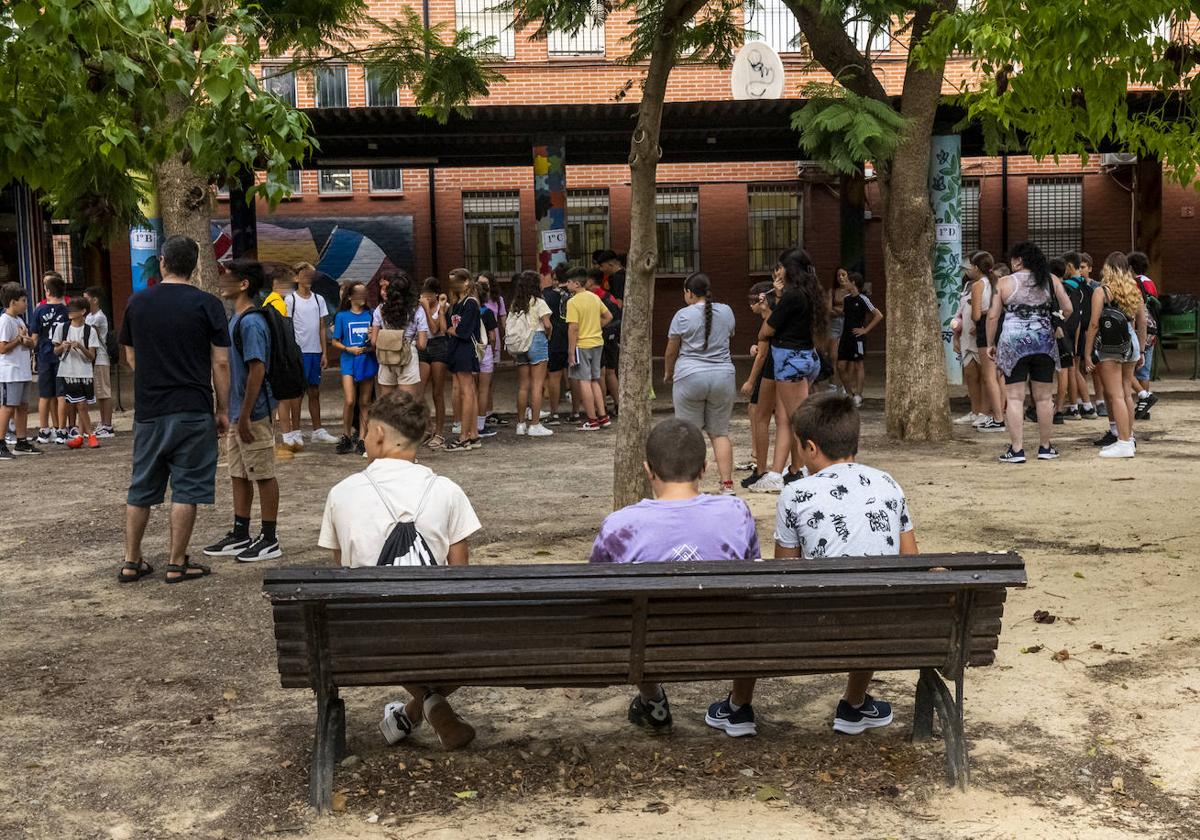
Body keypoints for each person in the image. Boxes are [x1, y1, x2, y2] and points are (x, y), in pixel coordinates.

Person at [705, 392, 915, 739]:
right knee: (876, 590)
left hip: (814, 625)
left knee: (755, 596)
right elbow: (911, 561)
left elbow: (783, 572)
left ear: (811, 449)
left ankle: (739, 706)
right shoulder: (888, 483)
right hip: (879, 624)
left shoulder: (796, 493)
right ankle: (854, 703)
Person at [318, 392, 481, 750]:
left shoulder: (341, 494)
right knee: (441, 624)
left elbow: (339, 577)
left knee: (381, 620)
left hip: (365, 638)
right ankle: (432, 706)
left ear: (377, 433)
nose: (362, 438)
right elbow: (461, 580)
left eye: (363, 432)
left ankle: (420, 707)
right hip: (440, 637)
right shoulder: (448, 492)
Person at [589, 418, 760, 733]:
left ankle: (652, 699)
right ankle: (739, 705)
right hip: (728, 639)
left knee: (629, 615)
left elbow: (598, 595)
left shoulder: (619, 525)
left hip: (649, 643)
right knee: (750, 606)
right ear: (704, 468)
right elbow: (754, 578)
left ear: (648, 470)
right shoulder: (736, 513)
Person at [118, 234, 231, 584]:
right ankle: (176, 562)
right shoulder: (208, 304)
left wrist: (154, 376)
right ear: (195, 266)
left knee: (141, 488)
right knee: (187, 488)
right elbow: (222, 363)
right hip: (193, 407)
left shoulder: (137, 303)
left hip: (150, 409)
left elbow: (130, 355)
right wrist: (222, 408)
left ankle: (131, 561)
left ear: (163, 262)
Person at [203, 259, 283, 562]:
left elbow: (257, 370)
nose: (222, 283)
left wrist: (248, 414)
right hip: (239, 413)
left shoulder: (251, 321)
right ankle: (240, 531)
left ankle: (270, 537)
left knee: (262, 473)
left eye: (228, 278)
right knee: (239, 472)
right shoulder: (236, 318)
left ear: (244, 284)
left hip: (254, 413)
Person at [743, 248, 827, 492]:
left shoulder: (793, 295)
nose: (777, 271)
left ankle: (810, 469)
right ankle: (778, 473)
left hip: (790, 360)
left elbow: (767, 330)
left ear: (789, 269)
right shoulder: (809, 293)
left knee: (798, 420)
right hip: (803, 358)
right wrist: (779, 295)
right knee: (784, 419)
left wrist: (777, 301)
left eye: (780, 267)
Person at [986, 242, 1073, 464]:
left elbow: (993, 316)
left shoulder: (1004, 282)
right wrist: (1056, 322)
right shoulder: (1050, 280)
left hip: (1013, 344)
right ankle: (1045, 447)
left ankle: (1017, 450)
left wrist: (990, 343)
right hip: (1044, 342)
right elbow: (1068, 308)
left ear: (1018, 260)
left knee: (1014, 397)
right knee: (1044, 398)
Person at [664, 273, 738, 494]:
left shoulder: (682, 315)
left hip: (690, 376)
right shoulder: (726, 311)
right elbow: (729, 335)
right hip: (723, 376)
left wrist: (669, 372)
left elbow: (671, 350)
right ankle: (727, 485)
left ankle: (690, 485)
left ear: (689, 293)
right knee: (719, 433)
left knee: (689, 434)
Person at [1083, 252, 1147, 458]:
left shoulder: (1102, 292)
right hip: (1132, 343)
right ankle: (1129, 436)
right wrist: (1142, 349)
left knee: (1115, 395)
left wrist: (1086, 352)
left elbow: (1093, 324)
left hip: (1110, 345)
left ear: (1107, 269)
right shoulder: (1134, 291)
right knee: (1127, 393)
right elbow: (1142, 323)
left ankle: (1123, 442)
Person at [740, 281, 789, 490]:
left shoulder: (771, 319)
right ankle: (774, 465)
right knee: (775, 417)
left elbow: (762, 356)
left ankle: (761, 468)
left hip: (770, 372)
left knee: (762, 416)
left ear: (763, 300)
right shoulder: (777, 317)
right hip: (781, 370)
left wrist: (751, 380)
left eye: (755, 300)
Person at [284, 264, 337, 446]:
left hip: (315, 352)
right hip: (299, 353)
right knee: (297, 394)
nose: (307, 277)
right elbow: (288, 327)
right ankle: (296, 431)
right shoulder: (290, 300)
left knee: (314, 391)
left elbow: (322, 327)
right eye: (304, 274)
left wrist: (324, 352)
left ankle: (318, 430)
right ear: (296, 278)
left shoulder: (318, 299)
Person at [330, 280, 377, 456]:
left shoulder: (371, 315)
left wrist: (373, 339)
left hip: (366, 360)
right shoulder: (342, 316)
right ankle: (347, 436)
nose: (362, 297)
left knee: (365, 401)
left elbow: (376, 338)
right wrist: (348, 348)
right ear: (350, 297)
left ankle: (363, 438)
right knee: (350, 400)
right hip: (349, 360)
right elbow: (335, 341)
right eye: (358, 294)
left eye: (364, 293)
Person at [506, 270, 554, 437]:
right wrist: (549, 335)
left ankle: (520, 424)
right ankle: (535, 424)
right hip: (537, 340)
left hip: (521, 344)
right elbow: (547, 324)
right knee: (537, 385)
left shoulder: (515, 304)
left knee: (523, 386)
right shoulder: (539, 302)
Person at [565, 267, 613, 431]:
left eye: (569, 282)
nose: (567, 285)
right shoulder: (594, 297)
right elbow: (609, 316)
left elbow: (573, 328)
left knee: (584, 381)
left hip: (582, 345)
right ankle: (603, 416)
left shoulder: (572, 302)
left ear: (576, 284)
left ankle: (592, 420)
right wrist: (595, 327)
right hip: (597, 342)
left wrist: (571, 351)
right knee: (595, 380)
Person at [52, 298, 102, 449]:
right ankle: (90, 435)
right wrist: (63, 346)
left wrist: (80, 346)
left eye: (73, 309)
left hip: (85, 372)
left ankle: (81, 436)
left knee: (82, 405)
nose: (70, 312)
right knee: (80, 404)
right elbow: (55, 351)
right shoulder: (62, 328)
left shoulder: (90, 330)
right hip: (67, 371)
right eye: (69, 309)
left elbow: (92, 356)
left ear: (83, 312)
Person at [967, 252, 1007, 433]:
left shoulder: (977, 286)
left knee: (989, 376)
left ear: (976, 267)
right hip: (1002, 326)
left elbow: (975, 315)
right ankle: (1001, 414)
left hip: (985, 329)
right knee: (1000, 375)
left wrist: (983, 312)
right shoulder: (998, 282)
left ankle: (998, 419)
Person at [371, 270, 428, 399]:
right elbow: (423, 345)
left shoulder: (379, 310)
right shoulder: (417, 310)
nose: (382, 292)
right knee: (406, 403)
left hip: (386, 356)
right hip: (408, 356)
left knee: (387, 403)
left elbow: (374, 342)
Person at [0, 282, 41, 459]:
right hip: (10, 371)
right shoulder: (5, 321)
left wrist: (26, 341)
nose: (26, 304)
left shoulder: (19, 320)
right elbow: (2, 348)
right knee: (8, 406)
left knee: (23, 406)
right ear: (12, 302)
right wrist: (19, 339)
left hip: (23, 370)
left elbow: (30, 342)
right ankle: (1, 443)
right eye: (23, 300)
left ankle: (21, 441)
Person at [443, 269, 483, 452]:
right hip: (457, 350)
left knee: (467, 392)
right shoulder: (456, 304)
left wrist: (453, 330)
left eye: (455, 281)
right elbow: (445, 327)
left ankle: (464, 436)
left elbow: (462, 331)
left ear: (466, 282)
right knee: (469, 392)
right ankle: (472, 433)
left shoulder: (470, 303)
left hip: (465, 350)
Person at [31, 271, 68, 444]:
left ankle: (44, 430)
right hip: (62, 355)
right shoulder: (66, 310)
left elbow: (35, 337)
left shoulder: (39, 310)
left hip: (45, 356)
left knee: (44, 395)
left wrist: (29, 345)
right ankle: (61, 430)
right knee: (61, 395)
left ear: (47, 292)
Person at [835, 272, 883, 406]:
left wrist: (865, 330)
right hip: (845, 337)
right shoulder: (846, 299)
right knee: (840, 366)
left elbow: (878, 315)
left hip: (858, 337)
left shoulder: (863, 299)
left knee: (858, 365)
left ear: (854, 283)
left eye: (847, 280)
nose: (845, 281)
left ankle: (858, 395)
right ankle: (850, 393)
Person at [1060, 252, 1095, 420]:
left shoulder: (1067, 286)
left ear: (1069, 266)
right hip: (1082, 330)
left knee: (1071, 369)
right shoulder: (1086, 285)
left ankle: (1074, 407)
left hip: (1071, 331)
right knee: (1075, 369)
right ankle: (1087, 406)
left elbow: (1070, 312)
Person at [1126, 251, 1159, 420]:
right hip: (1152, 329)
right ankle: (1143, 407)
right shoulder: (1150, 282)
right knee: (1144, 371)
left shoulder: (1133, 283)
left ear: (1130, 267)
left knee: (1129, 367)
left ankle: (1142, 399)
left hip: (1139, 327)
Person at [419, 276, 450, 448]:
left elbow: (435, 328)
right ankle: (427, 426)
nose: (426, 298)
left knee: (437, 393)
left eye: (429, 295)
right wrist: (422, 308)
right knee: (419, 391)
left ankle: (439, 432)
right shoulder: (419, 308)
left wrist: (427, 309)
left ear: (436, 295)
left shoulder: (442, 307)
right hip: (423, 348)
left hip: (439, 347)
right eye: (424, 294)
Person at [586, 268, 622, 418]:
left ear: (591, 281)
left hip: (599, 337)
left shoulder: (592, 297)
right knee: (611, 372)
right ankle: (619, 404)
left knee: (600, 373)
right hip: (613, 336)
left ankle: (603, 408)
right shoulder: (610, 296)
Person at [952, 271, 985, 425]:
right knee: (971, 375)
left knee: (985, 377)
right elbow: (959, 312)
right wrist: (955, 335)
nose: (967, 269)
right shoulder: (967, 286)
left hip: (983, 338)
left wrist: (980, 327)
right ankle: (975, 411)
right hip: (966, 338)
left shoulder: (989, 285)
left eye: (971, 265)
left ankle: (986, 413)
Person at [81, 287, 115, 438]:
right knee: (100, 393)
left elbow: (87, 333)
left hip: (100, 358)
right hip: (94, 360)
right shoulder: (89, 316)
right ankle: (104, 423)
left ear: (95, 300)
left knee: (104, 392)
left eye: (86, 298)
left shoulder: (99, 317)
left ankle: (107, 425)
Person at [541, 266, 572, 423]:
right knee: (574, 375)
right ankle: (576, 412)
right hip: (574, 338)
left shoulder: (547, 295)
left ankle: (554, 413)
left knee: (554, 375)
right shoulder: (574, 295)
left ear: (556, 279)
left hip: (555, 339)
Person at [477, 271, 507, 431]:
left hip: (493, 343)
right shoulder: (475, 301)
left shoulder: (498, 300)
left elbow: (503, 322)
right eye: (480, 283)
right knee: (481, 383)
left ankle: (488, 411)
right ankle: (482, 414)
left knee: (489, 381)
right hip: (481, 343)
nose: (482, 286)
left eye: (485, 283)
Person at [829, 268, 850, 377]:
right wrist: (840, 310)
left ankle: (845, 381)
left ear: (847, 276)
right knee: (833, 355)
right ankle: (833, 380)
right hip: (835, 323)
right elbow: (829, 309)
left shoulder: (851, 291)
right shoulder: (832, 291)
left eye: (843, 274)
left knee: (846, 355)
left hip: (848, 324)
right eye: (838, 275)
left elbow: (851, 310)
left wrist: (837, 309)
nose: (841, 277)